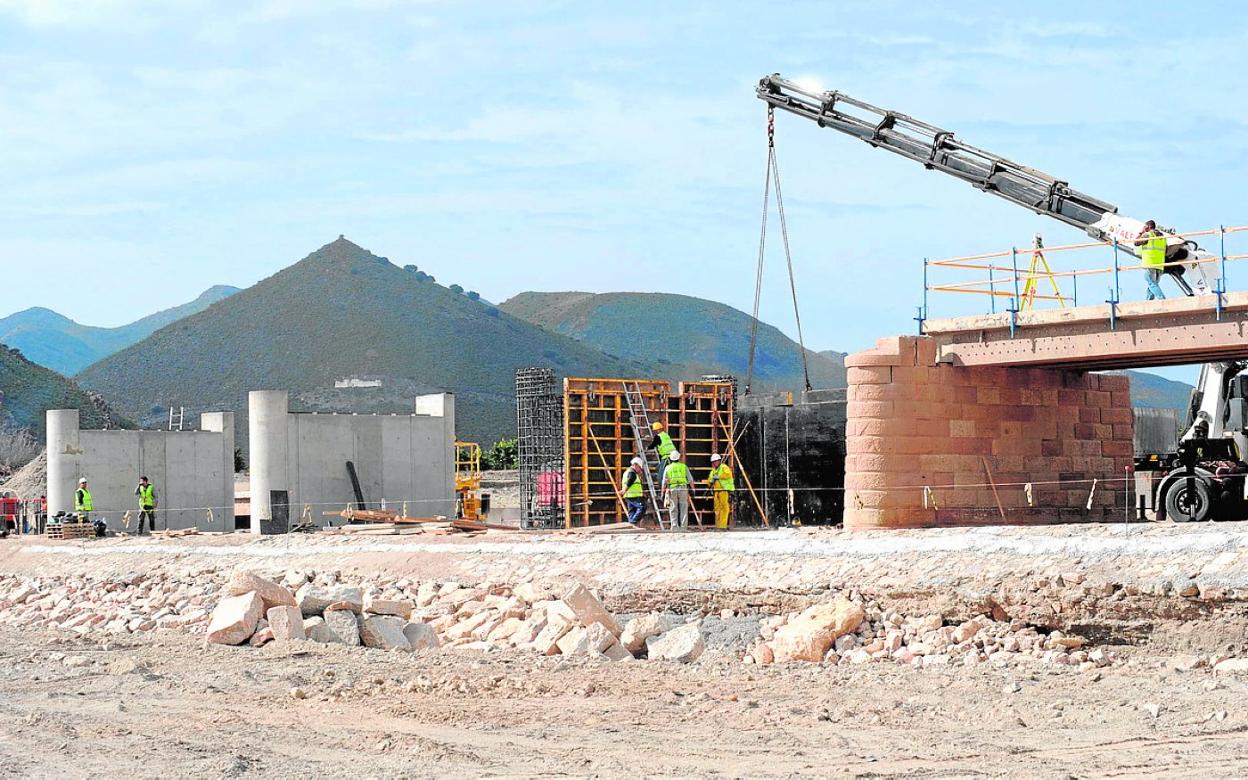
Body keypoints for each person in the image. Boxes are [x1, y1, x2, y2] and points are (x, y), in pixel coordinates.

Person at [1133, 220, 1168, 300]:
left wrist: (1141, 232)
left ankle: (1162, 299)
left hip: (1150, 264)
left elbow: (1136, 242)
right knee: (1153, 285)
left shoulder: (1148, 234)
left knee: (1151, 283)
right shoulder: (1162, 237)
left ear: (1148, 227)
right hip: (1160, 265)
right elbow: (1166, 250)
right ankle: (1149, 301)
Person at [661, 450, 691, 531]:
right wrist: (693, 490)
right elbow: (690, 480)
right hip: (683, 488)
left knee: (673, 508)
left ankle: (674, 527)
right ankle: (683, 527)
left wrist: (662, 492)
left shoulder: (668, 467)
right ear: (679, 458)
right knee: (683, 508)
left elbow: (664, 481)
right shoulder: (683, 466)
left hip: (672, 489)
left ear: (670, 459)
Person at [707, 453, 735, 530]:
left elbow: (728, 475)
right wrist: (710, 481)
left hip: (724, 490)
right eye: (713, 462)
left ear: (719, 461)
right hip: (716, 492)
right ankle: (719, 525)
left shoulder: (724, 467)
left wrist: (719, 477)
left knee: (724, 508)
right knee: (717, 509)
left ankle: (723, 526)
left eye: (715, 461)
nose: (714, 463)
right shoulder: (713, 471)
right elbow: (709, 481)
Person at [621, 457, 646, 526]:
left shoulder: (627, 472)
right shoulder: (632, 473)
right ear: (636, 465)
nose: (640, 470)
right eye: (640, 468)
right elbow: (630, 480)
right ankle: (632, 523)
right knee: (642, 507)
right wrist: (624, 489)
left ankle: (631, 526)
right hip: (634, 495)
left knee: (632, 511)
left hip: (629, 496)